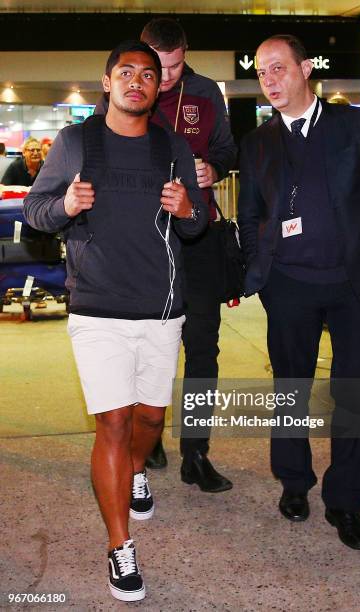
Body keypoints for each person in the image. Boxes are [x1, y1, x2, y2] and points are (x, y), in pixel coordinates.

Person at [24, 40, 207, 602]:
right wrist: (66, 207)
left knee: (150, 420)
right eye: (125, 72)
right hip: (97, 307)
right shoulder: (76, 142)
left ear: (159, 87)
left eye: (148, 74)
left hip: (160, 305)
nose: (137, 81)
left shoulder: (172, 147)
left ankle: (135, 470)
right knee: (114, 423)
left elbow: (197, 228)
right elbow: (37, 211)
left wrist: (188, 211)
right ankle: (118, 546)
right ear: (107, 83)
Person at [237, 34, 360, 551]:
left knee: (357, 395)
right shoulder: (257, 144)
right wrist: (260, 267)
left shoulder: (353, 125)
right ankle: (295, 482)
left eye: (278, 68)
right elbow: (249, 215)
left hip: (352, 283)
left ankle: (346, 502)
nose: (269, 79)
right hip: (289, 287)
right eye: (262, 71)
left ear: (306, 69)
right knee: (290, 389)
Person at [98, 18, 237, 490]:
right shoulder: (128, 85)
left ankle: (196, 452)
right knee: (142, 345)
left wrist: (212, 168)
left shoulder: (206, 93)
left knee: (202, 347)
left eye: (175, 67)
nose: (168, 76)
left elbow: (226, 149)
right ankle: (147, 435)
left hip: (198, 237)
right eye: (162, 66)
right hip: (142, 242)